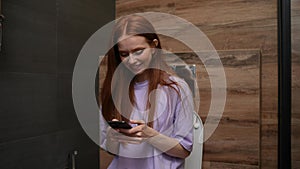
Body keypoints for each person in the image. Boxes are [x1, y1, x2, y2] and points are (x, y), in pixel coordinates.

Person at [99, 14, 194, 169]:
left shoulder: (177, 89)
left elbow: (183, 151)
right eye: (124, 54)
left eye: (138, 51)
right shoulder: (114, 90)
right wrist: (112, 137)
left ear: (154, 46)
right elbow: (111, 150)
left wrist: (150, 135)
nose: (131, 60)